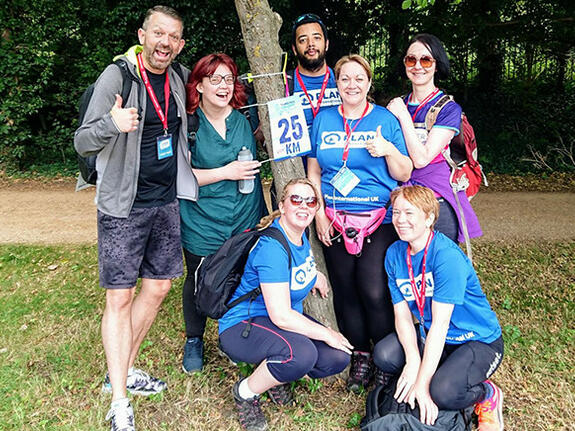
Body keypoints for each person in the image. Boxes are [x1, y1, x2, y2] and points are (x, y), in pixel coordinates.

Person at [74, 6, 197, 431]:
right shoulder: (118, 77)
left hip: (165, 203)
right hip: (122, 206)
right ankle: (121, 403)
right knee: (120, 298)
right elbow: (82, 141)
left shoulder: (179, 77)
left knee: (159, 287)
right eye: (158, 33)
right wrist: (111, 122)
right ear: (143, 34)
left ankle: (121, 372)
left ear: (180, 44)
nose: (165, 42)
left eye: (173, 36)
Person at [307, 54, 413, 393]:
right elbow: (314, 169)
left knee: (373, 288)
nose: (352, 85)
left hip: (377, 218)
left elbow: (405, 173)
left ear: (369, 82)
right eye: (345, 79)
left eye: (359, 78)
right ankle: (361, 356)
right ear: (336, 83)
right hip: (335, 217)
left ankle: (385, 359)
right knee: (347, 291)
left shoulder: (384, 120)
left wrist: (387, 150)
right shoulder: (323, 120)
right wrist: (319, 211)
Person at [218, 178, 352, 431]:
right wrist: (327, 333)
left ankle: (273, 378)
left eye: (310, 201)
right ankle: (245, 392)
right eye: (295, 199)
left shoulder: (302, 233)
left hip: (275, 322)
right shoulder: (272, 248)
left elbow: (296, 270)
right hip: (242, 325)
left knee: (337, 357)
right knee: (301, 355)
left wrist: (315, 276)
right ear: (282, 204)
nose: (304, 206)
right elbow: (280, 315)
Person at [373, 185, 504, 431]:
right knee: (385, 355)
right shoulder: (394, 253)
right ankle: (438, 369)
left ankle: (486, 393)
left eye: (409, 213)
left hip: (476, 339)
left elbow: (442, 325)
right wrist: (413, 360)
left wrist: (422, 385)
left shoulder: (446, 256)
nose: (400, 220)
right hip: (433, 334)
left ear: (430, 218)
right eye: (397, 212)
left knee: (442, 393)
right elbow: (401, 315)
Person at [179, 53, 267, 373]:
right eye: (214, 79)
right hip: (201, 217)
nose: (223, 86)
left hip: (243, 213)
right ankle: (194, 339)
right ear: (199, 85)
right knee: (199, 279)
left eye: (228, 79)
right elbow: (182, 176)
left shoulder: (243, 120)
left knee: (238, 275)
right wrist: (227, 171)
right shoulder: (189, 123)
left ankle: (230, 335)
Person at [386, 33, 481, 243]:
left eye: (426, 60)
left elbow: (422, 158)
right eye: (411, 59)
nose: (418, 66)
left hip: (436, 200)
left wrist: (403, 116)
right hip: (401, 200)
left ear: (436, 65)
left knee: (440, 265)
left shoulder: (448, 109)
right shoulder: (398, 104)